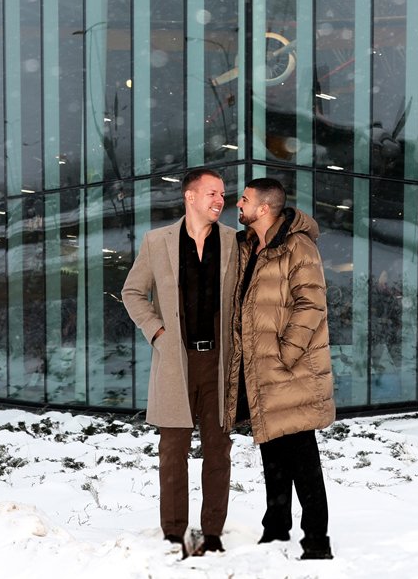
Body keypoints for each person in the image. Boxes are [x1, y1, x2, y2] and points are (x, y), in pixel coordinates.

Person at [120, 167, 239, 557]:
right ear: (190, 196)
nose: (220, 200)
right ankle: (174, 534)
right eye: (212, 193)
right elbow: (133, 292)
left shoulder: (235, 243)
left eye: (222, 194)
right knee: (172, 451)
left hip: (218, 363)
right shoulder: (158, 242)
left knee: (218, 450)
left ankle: (213, 533)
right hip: (175, 362)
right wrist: (157, 333)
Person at [228, 176, 336, 561]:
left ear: (264, 208)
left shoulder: (297, 246)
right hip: (259, 371)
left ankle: (317, 542)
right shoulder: (247, 247)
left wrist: (285, 353)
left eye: (244, 200)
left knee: (302, 456)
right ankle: (276, 529)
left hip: (290, 370)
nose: (237, 205)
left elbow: (311, 305)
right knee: (271, 451)